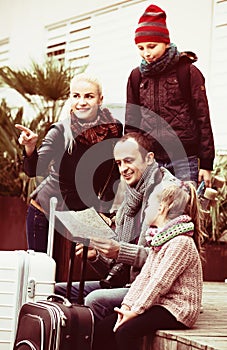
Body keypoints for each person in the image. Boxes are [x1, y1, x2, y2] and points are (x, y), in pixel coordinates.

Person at [55, 131, 182, 319]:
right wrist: (95, 256)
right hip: (128, 283)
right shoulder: (130, 196)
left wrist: (119, 251)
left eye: (129, 161)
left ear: (149, 159)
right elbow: (116, 270)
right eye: (119, 163)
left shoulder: (168, 194)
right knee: (58, 291)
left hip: (156, 290)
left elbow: (164, 260)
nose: (123, 169)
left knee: (95, 299)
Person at [15, 72, 123, 252]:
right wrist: (30, 148)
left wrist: (103, 211)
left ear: (100, 99)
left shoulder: (114, 129)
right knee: (43, 271)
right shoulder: (60, 130)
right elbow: (34, 170)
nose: (81, 102)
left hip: (81, 215)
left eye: (89, 96)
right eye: (76, 96)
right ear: (70, 98)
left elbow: (113, 174)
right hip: (46, 211)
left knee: (71, 273)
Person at [92, 182, 206, 350]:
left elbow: (159, 282)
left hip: (177, 309)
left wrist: (136, 311)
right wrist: (126, 307)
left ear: (161, 208)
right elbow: (144, 279)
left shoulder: (181, 242)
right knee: (104, 327)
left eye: (149, 205)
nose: (145, 210)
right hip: (160, 304)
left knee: (125, 332)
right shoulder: (159, 240)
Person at [125, 4, 215, 187]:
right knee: (155, 213)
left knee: (184, 212)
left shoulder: (187, 71)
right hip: (152, 161)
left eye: (151, 46)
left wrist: (206, 164)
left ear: (166, 42)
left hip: (185, 158)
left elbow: (203, 118)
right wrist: (131, 160)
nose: (146, 53)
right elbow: (132, 122)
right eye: (141, 48)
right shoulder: (136, 77)